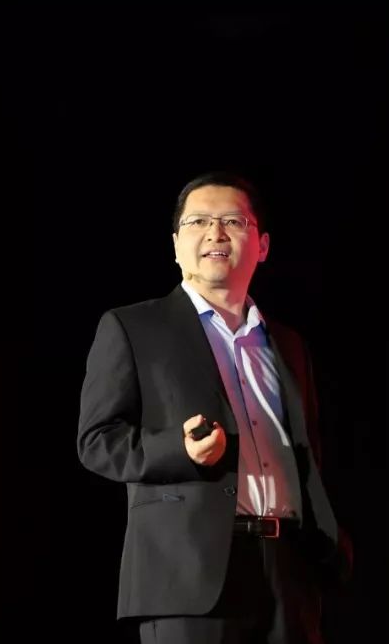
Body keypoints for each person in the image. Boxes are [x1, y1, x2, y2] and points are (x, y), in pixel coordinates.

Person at [78, 171, 350, 644]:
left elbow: (308, 455)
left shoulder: (288, 344)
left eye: (233, 221)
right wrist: (178, 450)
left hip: (288, 575)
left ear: (262, 246)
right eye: (198, 221)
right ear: (175, 245)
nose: (216, 233)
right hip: (188, 576)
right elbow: (97, 440)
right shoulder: (133, 328)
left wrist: (326, 542)